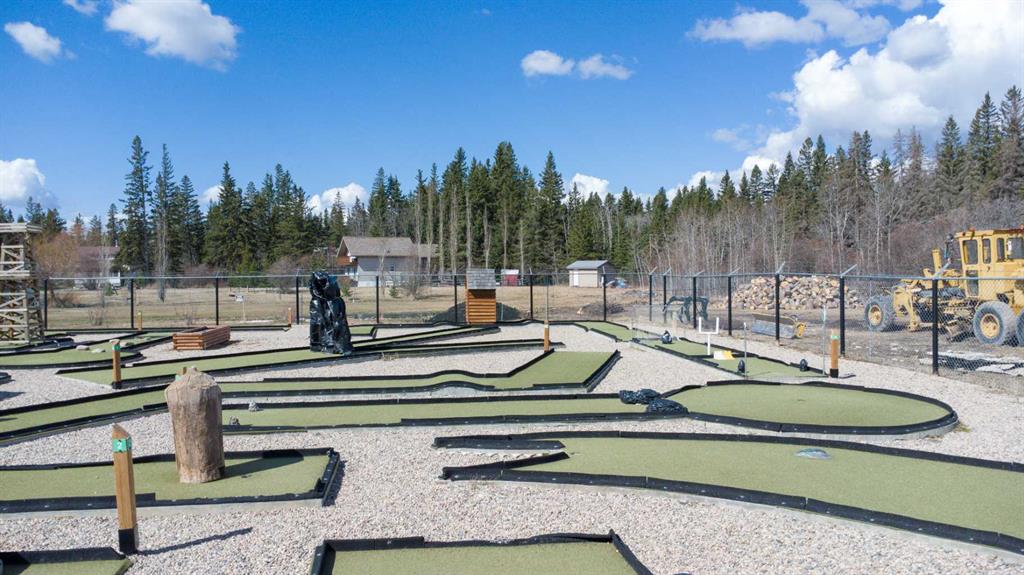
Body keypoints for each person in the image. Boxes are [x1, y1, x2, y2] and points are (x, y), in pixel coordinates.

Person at [308, 271, 353, 355]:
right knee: (318, 323)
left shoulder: (332, 294)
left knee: (336, 323)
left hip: (331, 302)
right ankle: (320, 345)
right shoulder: (318, 296)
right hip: (323, 302)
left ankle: (336, 345)